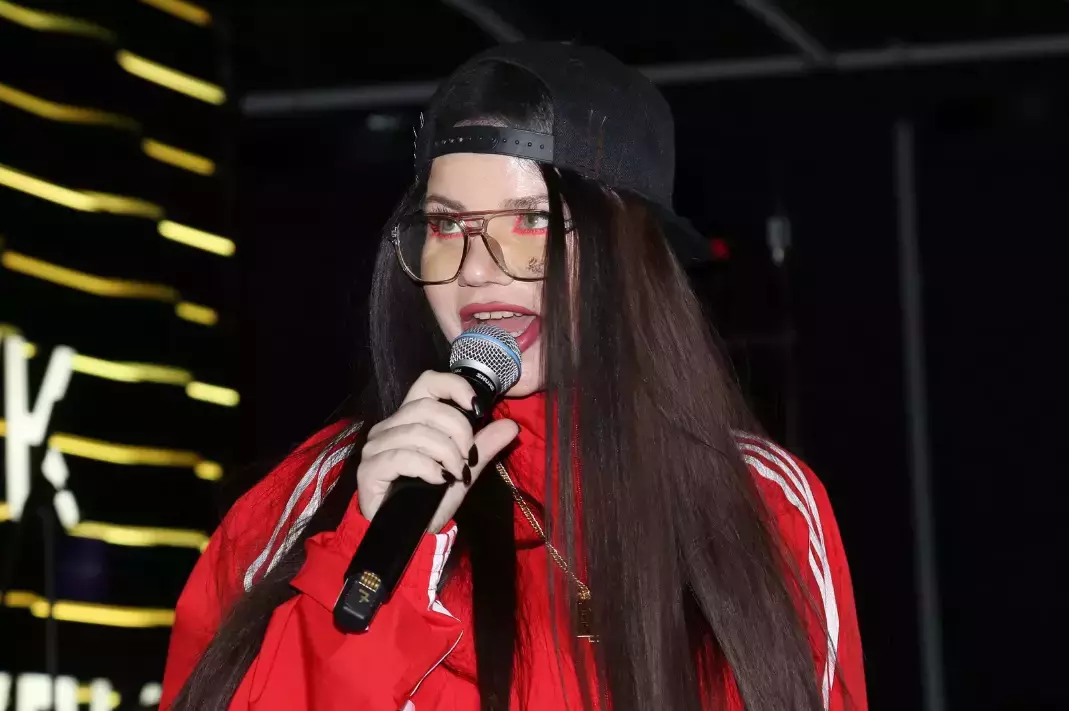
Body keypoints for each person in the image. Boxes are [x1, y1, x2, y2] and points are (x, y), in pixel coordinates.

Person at [160, 42, 867, 711]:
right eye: (445, 226)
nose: (474, 269)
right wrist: (366, 555)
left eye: (530, 220)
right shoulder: (314, 496)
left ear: (632, 252)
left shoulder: (760, 503)